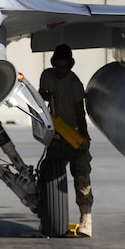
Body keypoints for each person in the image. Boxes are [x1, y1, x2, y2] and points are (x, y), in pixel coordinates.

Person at [39, 43, 93, 237]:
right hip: (57, 136)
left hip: (74, 135)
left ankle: (86, 221)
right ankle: (50, 220)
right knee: (49, 180)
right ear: (54, 64)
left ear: (70, 65)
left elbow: (81, 113)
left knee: (82, 179)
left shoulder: (75, 85)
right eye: (58, 66)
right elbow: (41, 95)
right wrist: (46, 95)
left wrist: (83, 137)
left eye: (64, 67)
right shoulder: (47, 75)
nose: (61, 71)